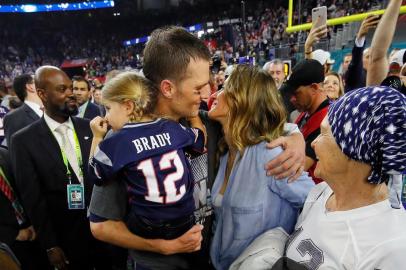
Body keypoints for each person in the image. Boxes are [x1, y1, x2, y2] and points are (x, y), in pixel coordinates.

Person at [88, 26, 305, 270]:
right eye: (198, 87)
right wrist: (161, 246)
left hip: (207, 259)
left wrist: (296, 137)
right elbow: (101, 226)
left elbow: (257, 123)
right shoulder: (122, 142)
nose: (208, 93)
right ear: (168, 88)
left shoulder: (208, 122)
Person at [88, 71, 206, 268]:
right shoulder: (171, 127)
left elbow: (96, 174)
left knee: (130, 214)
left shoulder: (117, 142)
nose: (106, 117)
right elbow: (199, 142)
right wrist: (194, 119)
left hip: (148, 226)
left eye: (108, 108)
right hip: (185, 219)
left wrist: (97, 138)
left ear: (128, 105)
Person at [285, 86, 406, 269]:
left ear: (354, 151)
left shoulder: (391, 248)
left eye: (324, 133)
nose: (315, 143)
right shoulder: (322, 192)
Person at [208, 65, 315, 270]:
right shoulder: (224, 152)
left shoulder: (270, 154)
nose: (216, 93)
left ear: (240, 100)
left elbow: (315, 201)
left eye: (224, 88)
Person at [9, 66, 112, 270]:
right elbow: (32, 198)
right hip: (65, 238)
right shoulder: (23, 140)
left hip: (104, 231)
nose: (71, 94)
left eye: (71, 88)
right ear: (42, 94)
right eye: (62, 89)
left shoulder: (91, 128)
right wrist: (50, 244)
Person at [0, 146, 49, 270]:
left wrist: (34, 222)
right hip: (8, 243)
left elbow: (28, 188)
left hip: (34, 230)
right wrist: (13, 234)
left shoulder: (5, 153)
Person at [285, 59, 330, 184]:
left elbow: (296, 168)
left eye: (296, 93)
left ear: (314, 88)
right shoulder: (305, 113)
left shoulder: (329, 119)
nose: (292, 99)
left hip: (318, 195)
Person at [4, 74, 43, 147]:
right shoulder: (13, 118)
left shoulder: (54, 110)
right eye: (39, 80)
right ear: (30, 87)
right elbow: (16, 153)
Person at [344, 14, 380, 92]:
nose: (372, 60)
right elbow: (355, 62)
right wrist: (360, 37)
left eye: (374, 57)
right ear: (361, 59)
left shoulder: (384, 77)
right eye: (368, 57)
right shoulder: (356, 75)